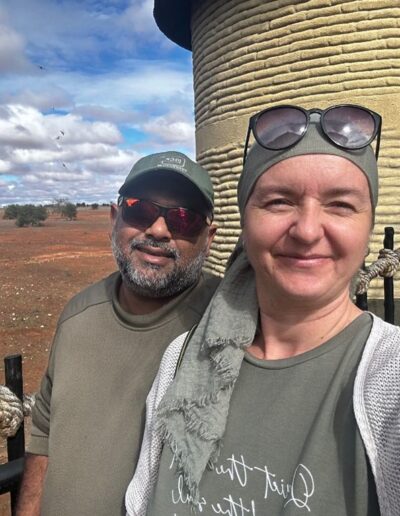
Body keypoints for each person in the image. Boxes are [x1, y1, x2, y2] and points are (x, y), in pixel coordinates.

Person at [126, 105, 400, 515]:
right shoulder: (182, 361)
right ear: (245, 222)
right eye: (279, 202)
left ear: (369, 226)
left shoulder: (389, 377)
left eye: (341, 205)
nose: (307, 230)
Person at [16, 151, 219, 516]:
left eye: (183, 218)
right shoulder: (78, 314)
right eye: (140, 210)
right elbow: (44, 431)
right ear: (115, 218)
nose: (158, 230)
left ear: (208, 238)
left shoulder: (227, 325)